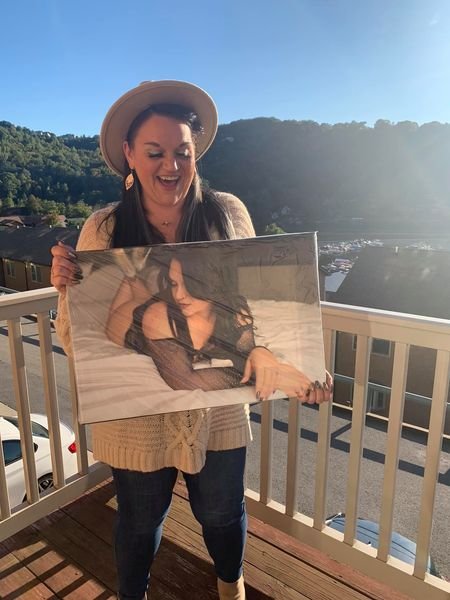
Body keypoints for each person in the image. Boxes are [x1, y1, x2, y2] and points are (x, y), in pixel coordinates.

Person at [50, 80, 332, 600]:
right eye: (155, 152)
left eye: (183, 152)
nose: (171, 165)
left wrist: (300, 364)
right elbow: (77, 339)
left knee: (222, 510)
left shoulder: (227, 213)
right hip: (135, 416)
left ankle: (231, 584)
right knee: (138, 519)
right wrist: (69, 291)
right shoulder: (104, 229)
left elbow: (261, 310)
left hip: (218, 410)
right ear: (129, 156)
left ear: (196, 154)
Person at [107, 248, 321, 400]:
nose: (180, 295)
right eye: (173, 284)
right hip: (128, 324)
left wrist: (261, 353)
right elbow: (184, 382)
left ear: (213, 284)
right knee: (134, 302)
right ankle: (130, 274)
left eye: (189, 285)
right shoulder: (158, 315)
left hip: (160, 309)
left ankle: (134, 272)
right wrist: (265, 377)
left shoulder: (235, 311)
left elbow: (245, 354)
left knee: (142, 293)